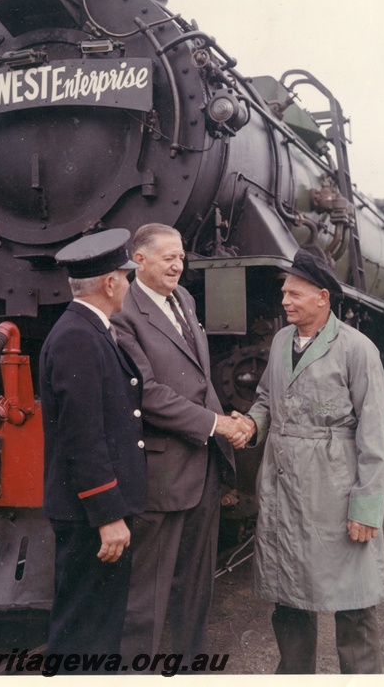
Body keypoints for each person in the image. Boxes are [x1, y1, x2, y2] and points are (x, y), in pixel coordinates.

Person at [237, 246, 384, 674]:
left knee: (353, 602)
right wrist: (252, 424)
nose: (285, 300)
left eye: (295, 294)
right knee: (289, 598)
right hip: (285, 489)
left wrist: (366, 508)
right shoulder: (282, 341)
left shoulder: (358, 349)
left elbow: (375, 435)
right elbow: (267, 398)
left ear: (323, 297)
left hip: (336, 495)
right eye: (285, 292)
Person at [111, 223, 249, 660]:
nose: (178, 264)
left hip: (204, 466)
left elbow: (198, 379)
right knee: (145, 599)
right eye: (169, 256)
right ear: (140, 259)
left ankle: (193, 669)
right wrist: (215, 424)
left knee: (196, 590)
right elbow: (146, 392)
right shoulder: (124, 313)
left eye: (182, 257)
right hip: (163, 474)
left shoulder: (184, 300)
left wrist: (228, 421)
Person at [40, 229, 147, 665]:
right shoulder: (78, 337)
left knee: (97, 629)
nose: (128, 284)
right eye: (126, 277)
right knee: (84, 632)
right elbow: (82, 437)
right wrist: (108, 515)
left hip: (93, 511)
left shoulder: (87, 330)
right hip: (92, 516)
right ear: (109, 283)